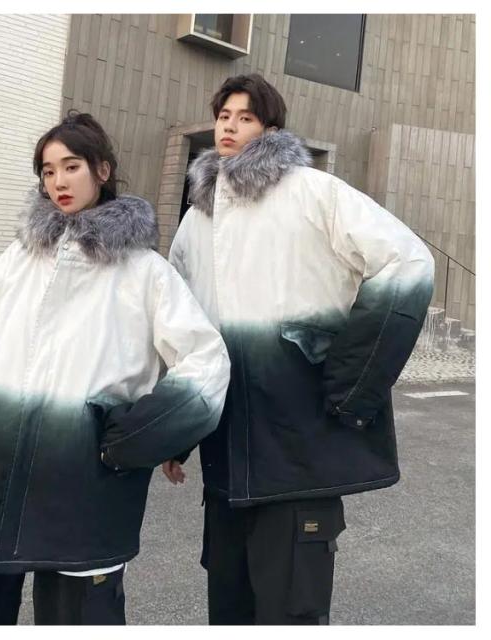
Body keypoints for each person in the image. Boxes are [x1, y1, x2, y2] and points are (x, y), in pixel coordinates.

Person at [0, 111, 230, 625]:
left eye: (71, 167)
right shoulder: (15, 262)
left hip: (87, 489)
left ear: (102, 170)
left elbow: (207, 361)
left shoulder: (144, 272)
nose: (58, 181)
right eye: (48, 171)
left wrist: (136, 438)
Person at [165, 74, 435, 625]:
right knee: (229, 611)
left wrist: (353, 383)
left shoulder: (313, 191)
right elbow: (181, 327)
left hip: (298, 450)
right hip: (227, 456)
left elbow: (407, 262)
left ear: (270, 129)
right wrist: (177, 429)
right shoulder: (198, 217)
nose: (229, 126)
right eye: (223, 116)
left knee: (291, 615)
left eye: (244, 117)